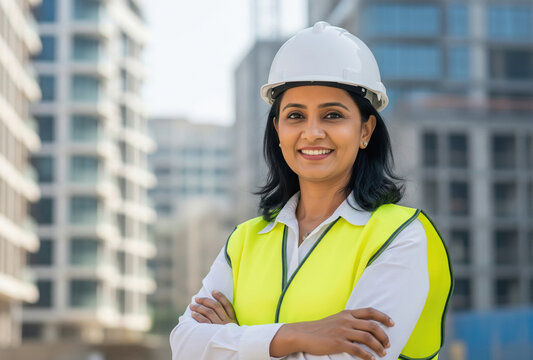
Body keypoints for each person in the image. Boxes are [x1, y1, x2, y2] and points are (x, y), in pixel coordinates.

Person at [169, 21, 454, 360]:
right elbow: (185, 345)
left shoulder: (401, 236)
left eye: (332, 115)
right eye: (295, 116)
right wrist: (296, 335)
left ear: (366, 130)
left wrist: (234, 341)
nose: (312, 132)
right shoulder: (245, 241)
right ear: (278, 129)